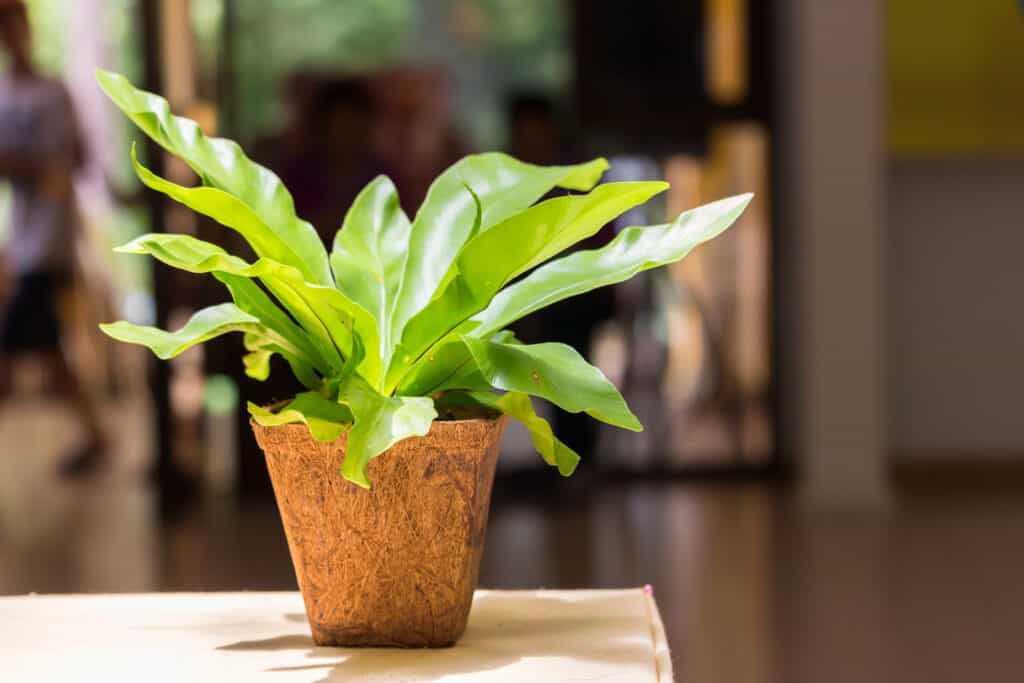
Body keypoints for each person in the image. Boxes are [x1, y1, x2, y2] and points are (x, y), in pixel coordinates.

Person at [0, 0, 107, 475]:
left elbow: (76, 160)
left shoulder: (53, 93)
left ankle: (96, 435)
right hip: (25, 241)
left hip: (50, 242)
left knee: (19, 346)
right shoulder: (5, 94)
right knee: (46, 351)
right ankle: (96, 434)